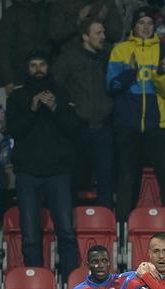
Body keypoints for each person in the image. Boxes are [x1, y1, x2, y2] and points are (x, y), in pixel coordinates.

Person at [6, 51, 81, 280]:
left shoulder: (61, 92)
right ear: (27, 69)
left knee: (66, 232)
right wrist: (31, 109)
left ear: (48, 68)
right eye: (33, 65)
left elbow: (74, 128)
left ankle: (71, 283)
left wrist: (56, 108)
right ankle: (36, 281)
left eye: (41, 65)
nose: (38, 69)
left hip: (58, 172)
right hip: (28, 172)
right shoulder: (17, 98)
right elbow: (14, 130)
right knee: (30, 234)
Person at [108, 6, 165, 223]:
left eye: (150, 23)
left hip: (158, 125)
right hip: (128, 126)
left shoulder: (164, 50)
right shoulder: (120, 50)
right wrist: (130, 72)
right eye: (141, 23)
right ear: (134, 26)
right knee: (127, 180)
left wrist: (160, 74)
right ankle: (122, 233)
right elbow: (112, 85)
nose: (146, 27)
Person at [54, 18, 115, 209]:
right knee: (74, 180)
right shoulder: (69, 58)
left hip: (104, 128)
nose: (103, 37)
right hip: (79, 128)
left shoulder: (108, 56)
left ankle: (106, 226)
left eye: (103, 32)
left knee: (106, 181)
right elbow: (55, 85)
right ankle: (73, 226)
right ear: (85, 36)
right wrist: (69, 109)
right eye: (98, 33)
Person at [0, 0, 53, 93]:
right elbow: (3, 48)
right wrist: (8, 79)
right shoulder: (12, 13)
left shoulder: (47, 10)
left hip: (43, 74)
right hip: (18, 74)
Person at [49, 0, 124, 48]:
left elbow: (116, 35)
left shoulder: (105, 3)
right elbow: (55, 35)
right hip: (72, 56)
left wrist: (101, 21)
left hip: (101, 57)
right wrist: (78, 19)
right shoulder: (61, 4)